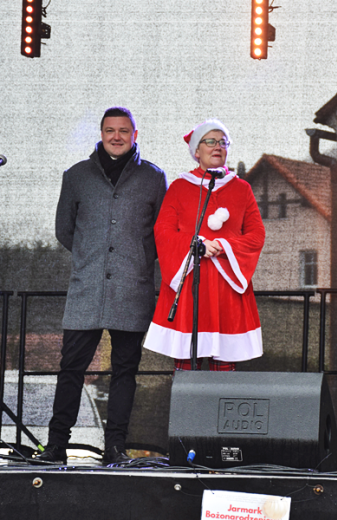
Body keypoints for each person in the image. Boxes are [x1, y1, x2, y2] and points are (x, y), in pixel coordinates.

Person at [36, 107, 167, 464]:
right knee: (71, 369)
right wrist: (91, 257)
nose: (116, 136)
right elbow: (65, 229)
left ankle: (114, 449)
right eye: (110, 130)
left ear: (135, 135)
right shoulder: (76, 175)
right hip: (86, 287)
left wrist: (138, 257)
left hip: (132, 288)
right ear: (101, 132)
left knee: (125, 371)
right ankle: (56, 447)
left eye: (124, 130)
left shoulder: (154, 177)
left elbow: (161, 231)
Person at [143, 119, 265, 371]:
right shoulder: (178, 187)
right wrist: (194, 244)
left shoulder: (242, 189)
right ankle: (188, 409)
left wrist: (222, 245)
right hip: (189, 281)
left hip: (226, 283)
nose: (217, 146)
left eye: (223, 142)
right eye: (210, 141)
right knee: (187, 359)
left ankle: (222, 409)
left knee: (225, 360)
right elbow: (162, 231)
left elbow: (256, 235)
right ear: (197, 151)